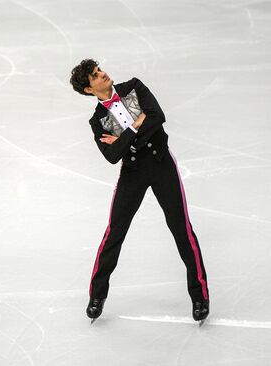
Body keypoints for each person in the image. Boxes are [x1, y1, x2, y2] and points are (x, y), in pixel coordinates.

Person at [70, 59, 209, 323]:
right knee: (114, 233)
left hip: (161, 164)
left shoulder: (134, 87)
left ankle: (200, 295)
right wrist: (135, 127)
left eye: (100, 70)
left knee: (182, 229)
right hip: (132, 173)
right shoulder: (98, 120)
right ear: (89, 90)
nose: (103, 74)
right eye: (96, 76)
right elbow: (112, 155)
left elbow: (157, 117)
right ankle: (97, 295)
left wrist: (125, 138)